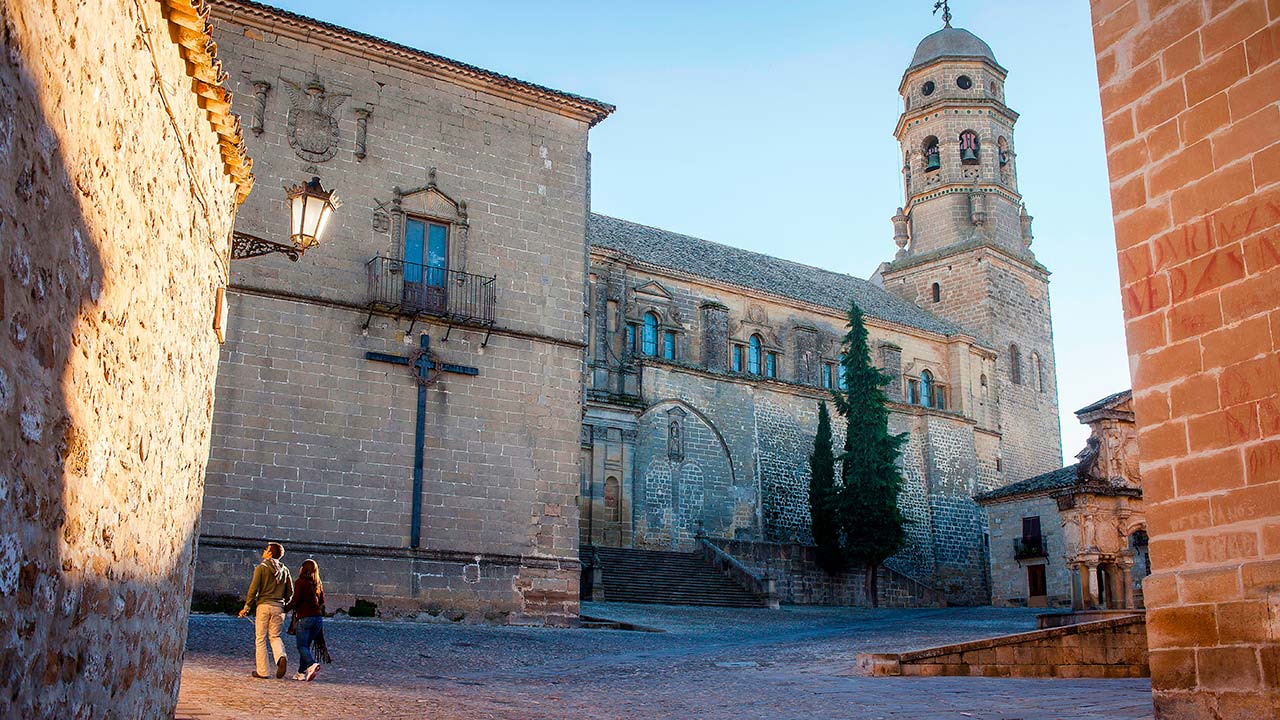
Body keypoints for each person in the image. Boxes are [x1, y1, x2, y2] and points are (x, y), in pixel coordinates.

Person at [237, 542, 294, 679]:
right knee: (275, 636)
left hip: (264, 606)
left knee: (261, 638)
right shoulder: (285, 570)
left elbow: (253, 589)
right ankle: (281, 656)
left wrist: (246, 607)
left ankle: (262, 671)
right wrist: (284, 603)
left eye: (266, 549)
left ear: (269, 553)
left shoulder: (261, 568)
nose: (264, 551)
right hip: (279, 608)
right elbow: (290, 592)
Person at [284, 558, 326, 681]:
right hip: (318, 619)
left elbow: (295, 600)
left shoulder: (301, 582)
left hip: (305, 618)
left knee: (301, 646)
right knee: (306, 646)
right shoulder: (317, 583)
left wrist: (284, 609)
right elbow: (322, 601)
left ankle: (311, 664)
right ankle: (300, 673)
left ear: (303, 569)